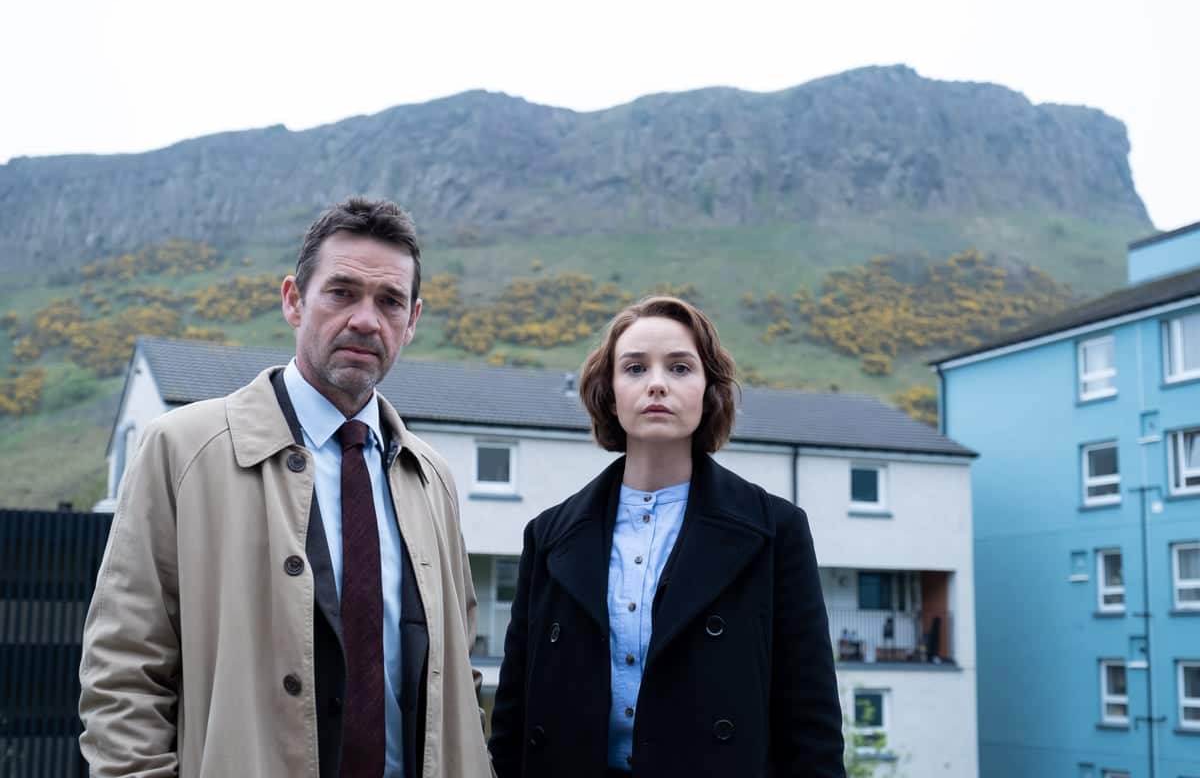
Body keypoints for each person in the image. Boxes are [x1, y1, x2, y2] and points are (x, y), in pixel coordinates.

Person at [79, 197, 491, 778]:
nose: (366, 320)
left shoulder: (432, 480)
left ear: (413, 320)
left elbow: (458, 672)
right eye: (342, 292)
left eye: (389, 301)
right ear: (294, 301)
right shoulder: (182, 450)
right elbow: (124, 669)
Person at [488, 296, 845, 778]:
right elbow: (512, 718)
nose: (657, 383)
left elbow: (811, 720)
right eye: (634, 368)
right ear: (609, 392)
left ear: (709, 390)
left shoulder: (775, 530)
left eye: (680, 368)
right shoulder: (549, 536)